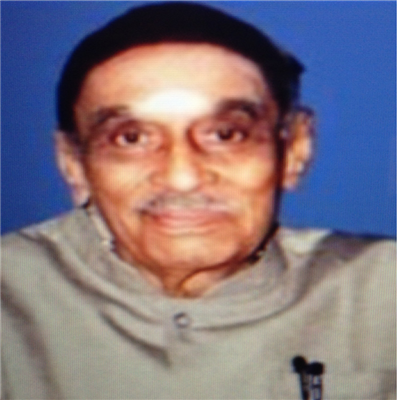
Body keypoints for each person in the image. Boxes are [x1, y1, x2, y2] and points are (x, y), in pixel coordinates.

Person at [0, 2, 395, 399]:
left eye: (226, 134)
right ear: (74, 164)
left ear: (294, 149)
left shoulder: (382, 294)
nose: (182, 178)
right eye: (131, 138)